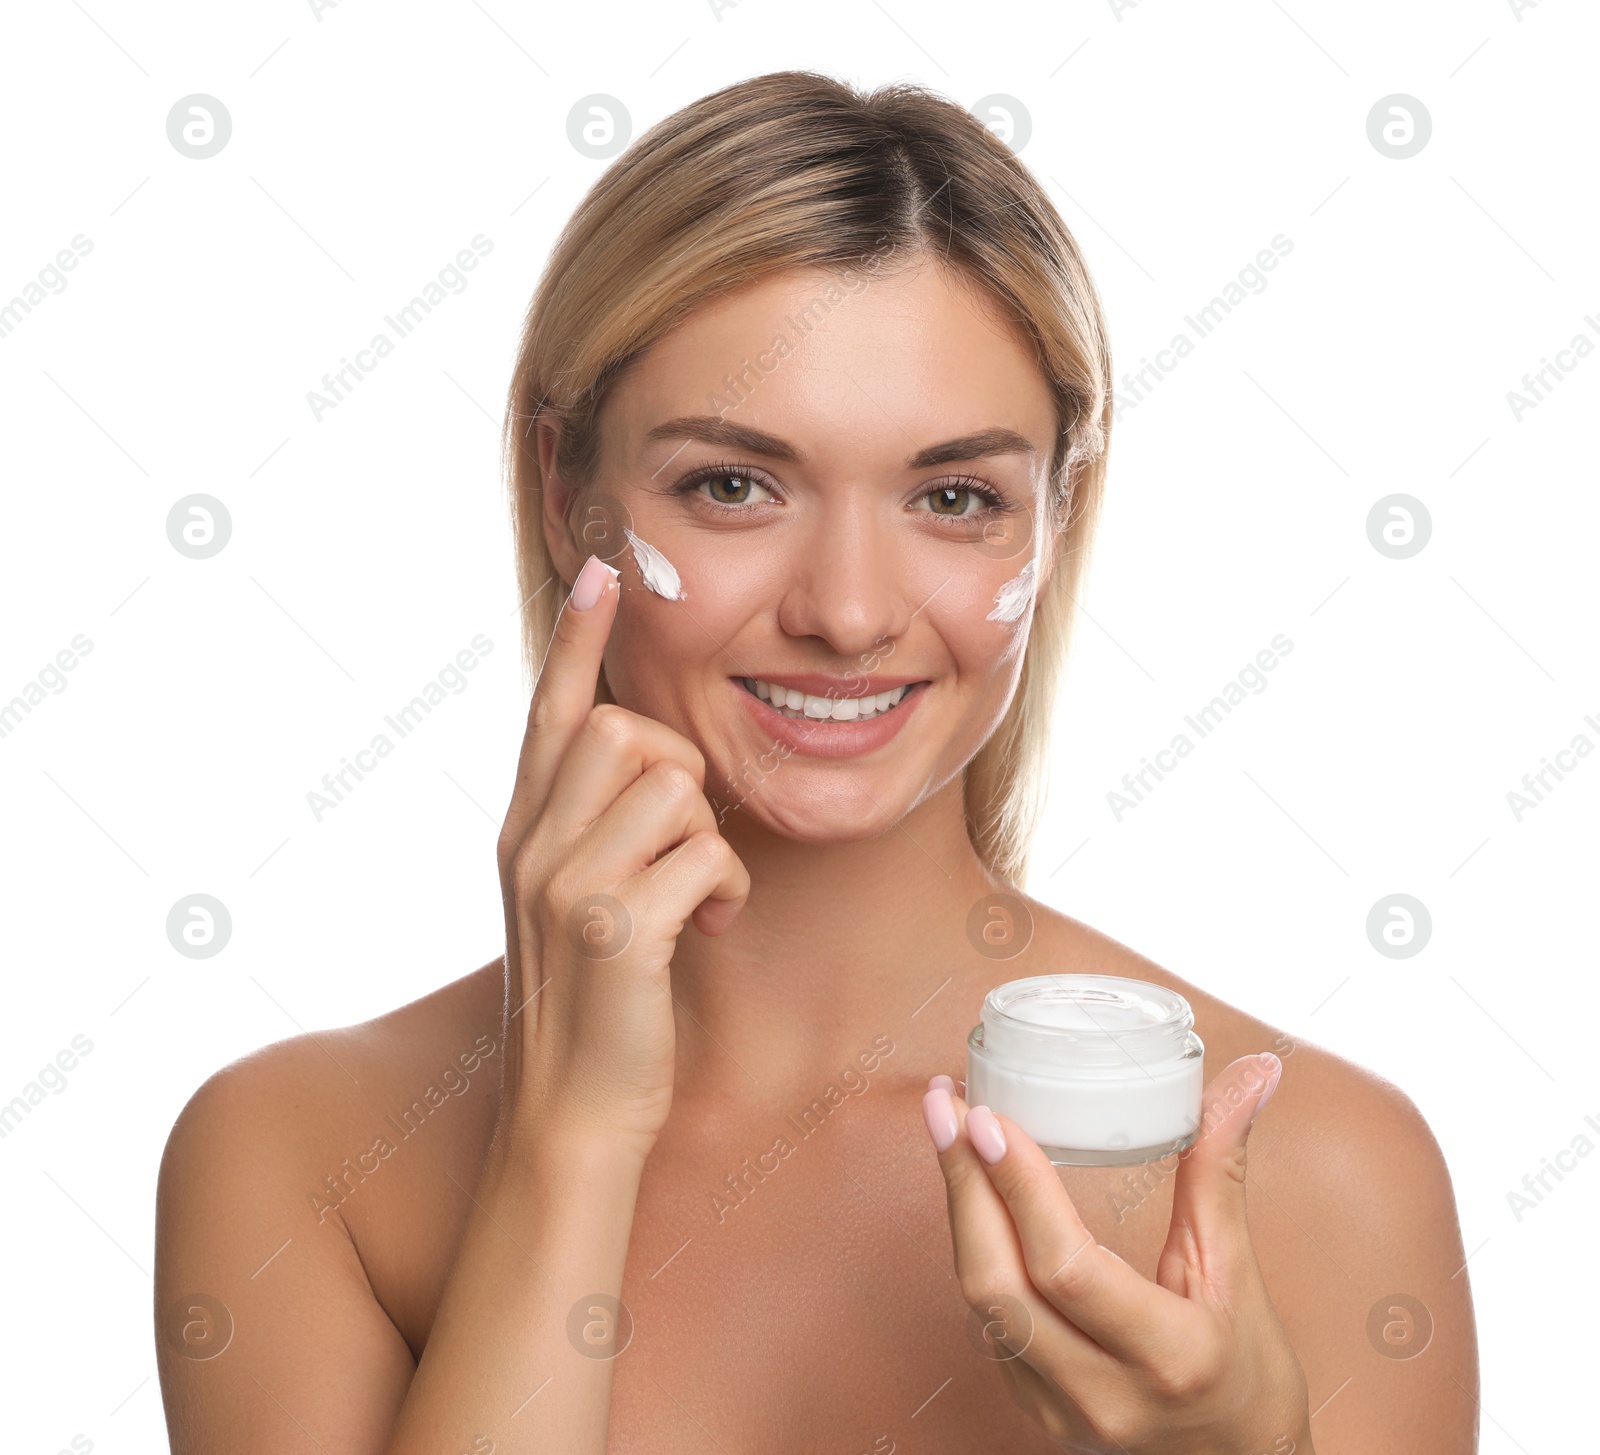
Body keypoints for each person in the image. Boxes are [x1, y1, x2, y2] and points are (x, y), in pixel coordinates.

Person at [154, 70, 1479, 1453]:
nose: (846, 611)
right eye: (735, 485)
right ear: (566, 493)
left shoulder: (1324, 1175)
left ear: (1056, 518)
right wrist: (570, 1140)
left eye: (954, 497)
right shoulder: (303, 1160)